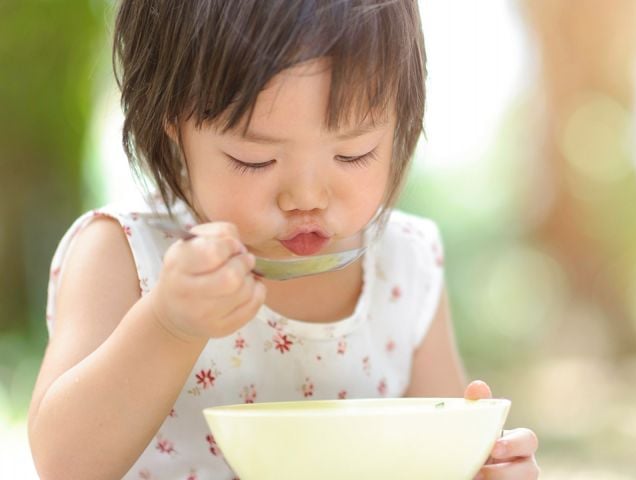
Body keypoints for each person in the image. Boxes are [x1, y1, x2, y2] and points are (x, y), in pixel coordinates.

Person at [28, 1, 539, 479]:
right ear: (172, 127)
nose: (307, 196)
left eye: (354, 153)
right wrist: (169, 324)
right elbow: (65, 464)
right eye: (256, 160)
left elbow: (438, 454)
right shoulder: (125, 254)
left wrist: (483, 466)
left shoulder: (405, 263)